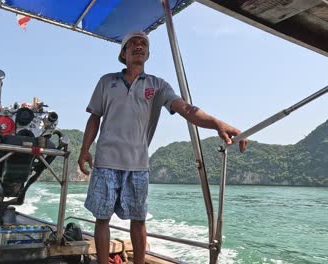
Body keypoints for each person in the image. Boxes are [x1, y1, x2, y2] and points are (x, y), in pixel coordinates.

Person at [77, 31, 248, 264]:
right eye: (133, 43)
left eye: (144, 44)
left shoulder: (157, 86)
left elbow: (187, 109)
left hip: (138, 165)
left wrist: (216, 123)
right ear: (123, 53)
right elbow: (94, 117)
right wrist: (84, 149)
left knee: (138, 221)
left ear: (148, 53)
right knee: (102, 218)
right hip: (106, 161)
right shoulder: (107, 82)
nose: (139, 46)